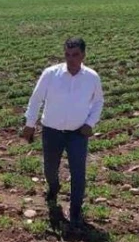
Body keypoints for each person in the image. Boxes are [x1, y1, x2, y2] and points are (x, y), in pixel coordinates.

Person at [22, 37, 105, 226]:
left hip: (78, 133)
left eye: (75, 55)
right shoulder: (51, 74)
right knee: (50, 169)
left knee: (78, 172)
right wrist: (30, 123)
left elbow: (99, 101)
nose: (71, 59)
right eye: (67, 55)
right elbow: (36, 100)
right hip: (52, 131)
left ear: (83, 55)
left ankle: (75, 211)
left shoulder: (92, 77)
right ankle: (54, 187)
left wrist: (90, 123)